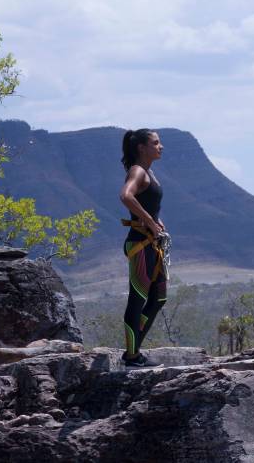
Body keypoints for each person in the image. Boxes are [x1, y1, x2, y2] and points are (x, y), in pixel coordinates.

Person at [119, 128, 167, 368]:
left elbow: (146, 202)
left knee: (159, 297)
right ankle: (132, 356)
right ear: (142, 147)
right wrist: (148, 220)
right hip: (139, 244)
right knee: (137, 300)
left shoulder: (149, 172)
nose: (161, 146)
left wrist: (155, 220)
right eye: (156, 143)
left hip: (152, 245)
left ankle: (134, 348)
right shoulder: (138, 171)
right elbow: (126, 196)